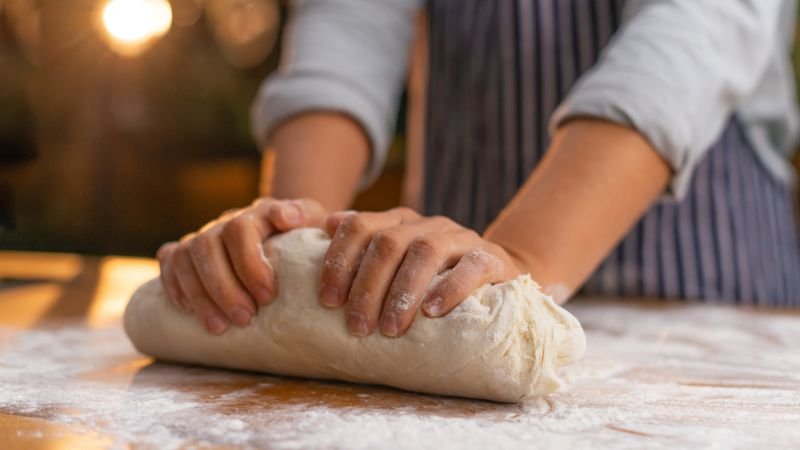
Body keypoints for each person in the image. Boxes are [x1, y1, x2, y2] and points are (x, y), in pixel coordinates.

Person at [157, 0, 800, 338]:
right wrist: (290, 248)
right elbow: (350, 20)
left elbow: (692, 31)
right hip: (446, 298)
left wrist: (522, 256)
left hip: (707, 298)